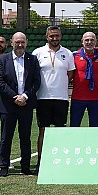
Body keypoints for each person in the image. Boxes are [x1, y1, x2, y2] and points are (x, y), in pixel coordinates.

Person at [0, 32, 40, 177]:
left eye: (22, 42)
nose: (20, 45)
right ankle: (3, 166)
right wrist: (15, 97)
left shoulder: (32, 60)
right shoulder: (3, 60)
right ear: (11, 42)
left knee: (25, 137)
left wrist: (25, 96)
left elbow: (36, 82)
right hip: (8, 104)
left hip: (26, 104)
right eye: (17, 42)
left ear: (26, 42)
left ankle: (25, 167)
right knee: (6, 137)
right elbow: (0, 82)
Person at [33, 25, 75, 170]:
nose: (54, 38)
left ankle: (59, 161)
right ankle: (41, 162)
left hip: (61, 98)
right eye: (52, 36)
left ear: (61, 37)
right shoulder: (38, 52)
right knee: (43, 130)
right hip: (43, 98)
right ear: (47, 37)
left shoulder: (68, 53)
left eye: (57, 36)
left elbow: (70, 75)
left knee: (60, 131)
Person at [71, 31, 98, 127]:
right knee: (74, 126)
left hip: (95, 98)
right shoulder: (74, 55)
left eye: (92, 40)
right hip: (77, 97)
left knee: (94, 127)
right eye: (87, 40)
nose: (89, 42)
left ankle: (94, 143)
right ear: (82, 41)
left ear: (96, 41)